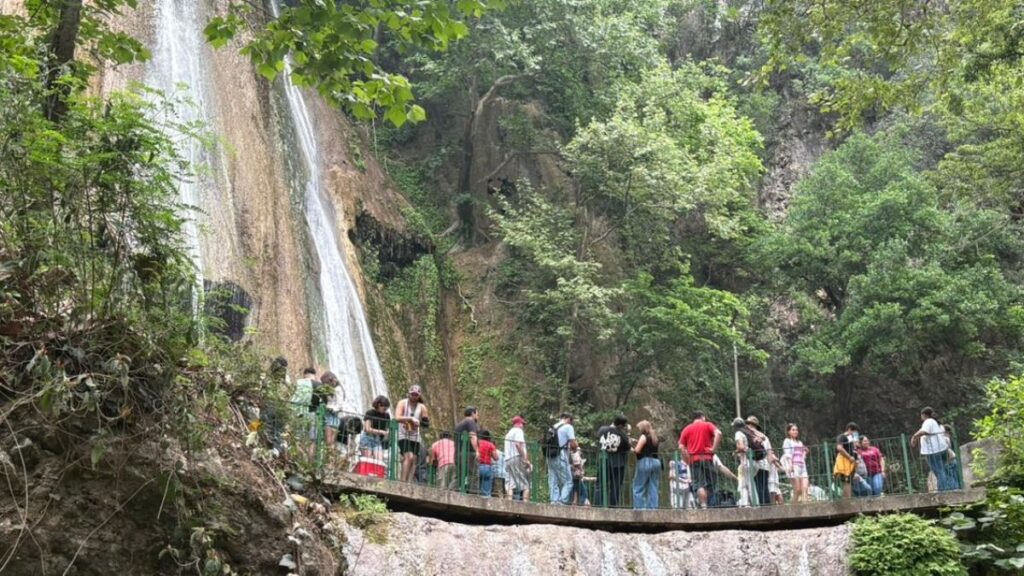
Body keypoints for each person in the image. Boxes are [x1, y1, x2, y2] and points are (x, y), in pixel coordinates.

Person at [679, 411, 723, 508]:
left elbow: (681, 447)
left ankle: (702, 505)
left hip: (693, 460)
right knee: (711, 483)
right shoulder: (707, 425)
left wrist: (687, 459)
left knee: (698, 484)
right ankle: (702, 501)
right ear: (702, 417)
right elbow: (718, 433)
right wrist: (713, 449)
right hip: (707, 458)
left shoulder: (686, 429)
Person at [911, 407, 953, 492]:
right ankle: (945, 488)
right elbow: (922, 430)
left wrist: (914, 437)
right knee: (941, 470)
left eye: (921, 415)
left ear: (924, 415)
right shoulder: (934, 422)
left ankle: (943, 490)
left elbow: (924, 431)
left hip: (933, 451)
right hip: (940, 449)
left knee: (938, 471)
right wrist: (915, 437)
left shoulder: (928, 421)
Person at [394, 385, 429, 483]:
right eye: (412, 394)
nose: (414, 396)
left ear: (419, 395)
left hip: (415, 436)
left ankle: (409, 482)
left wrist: (418, 422)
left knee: (414, 459)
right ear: (409, 394)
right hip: (403, 434)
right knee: (408, 456)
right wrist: (409, 419)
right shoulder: (402, 403)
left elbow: (426, 423)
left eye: (416, 395)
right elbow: (397, 417)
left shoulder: (422, 407)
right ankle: (403, 481)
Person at [596, 415, 631, 507]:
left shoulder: (602, 429)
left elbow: (598, 438)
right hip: (619, 463)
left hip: (604, 460)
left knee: (600, 485)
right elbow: (628, 447)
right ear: (620, 425)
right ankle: (613, 506)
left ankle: (599, 505)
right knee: (615, 486)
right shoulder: (622, 434)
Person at [742, 416, 774, 506]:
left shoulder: (751, 436)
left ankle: (762, 508)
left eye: (749, 424)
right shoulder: (765, 437)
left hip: (756, 464)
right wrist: (770, 467)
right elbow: (769, 452)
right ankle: (767, 507)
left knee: (758, 487)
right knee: (764, 487)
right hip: (764, 465)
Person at [546, 413, 577, 505]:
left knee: (553, 479)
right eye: (571, 421)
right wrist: (575, 448)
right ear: (568, 419)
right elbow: (573, 443)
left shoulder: (553, 427)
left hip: (550, 455)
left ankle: (554, 500)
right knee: (568, 481)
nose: (571, 424)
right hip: (560, 455)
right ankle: (562, 501)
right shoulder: (568, 427)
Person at [632, 420, 661, 509]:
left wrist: (632, 448)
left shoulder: (643, 436)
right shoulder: (655, 437)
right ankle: (653, 508)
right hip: (656, 462)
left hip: (645, 461)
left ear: (642, 428)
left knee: (638, 486)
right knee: (653, 486)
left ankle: (639, 508)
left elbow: (637, 450)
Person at [454, 407, 481, 493]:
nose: (478, 416)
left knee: (459, 475)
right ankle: (473, 494)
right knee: (473, 474)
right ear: (473, 413)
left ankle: (452, 491)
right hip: (468, 453)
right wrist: (477, 451)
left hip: (458, 452)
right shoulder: (470, 421)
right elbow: (472, 436)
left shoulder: (459, 424)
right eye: (477, 414)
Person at [504, 416, 532, 501]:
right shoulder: (519, 431)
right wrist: (525, 458)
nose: (523, 426)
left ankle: (509, 502)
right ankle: (525, 504)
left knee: (511, 483)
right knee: (525, 484)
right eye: (522, 424)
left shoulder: (508, 434)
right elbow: (517, 444)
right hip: (517, 457)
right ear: (519, 423)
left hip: (508, 459)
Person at [732, 418, 757, 507]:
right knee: (749, 482)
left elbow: (741, 447)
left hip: (745, 462)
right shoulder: (748, 433)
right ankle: (753, 503)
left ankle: (746, 504)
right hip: (753, 461)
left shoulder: (738, 433)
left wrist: (736, 452)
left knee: (744, 484)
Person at [782, 423, 809, 503]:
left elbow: (803, 454)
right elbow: (788, 454)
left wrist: (805, 451)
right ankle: (794, 508)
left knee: (805, 488)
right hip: (794, 465)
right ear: (788, 432)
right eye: (793, 430)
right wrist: (790, 465)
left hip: (802, 466)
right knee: (797, 490)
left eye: (796, 430)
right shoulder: (787, 441)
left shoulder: (799, 442)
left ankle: (805, 508)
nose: (795, 431)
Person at [360, 395, 391, 460]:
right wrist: (381, 432)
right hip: (367, 438)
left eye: (386, 409)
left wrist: (388, 432)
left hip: (378, 440)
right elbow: (367, 429)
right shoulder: (370, 413)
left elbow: (388, 428)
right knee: (367, 460)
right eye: (384, 408)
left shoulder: (387, 415)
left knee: (379, 460)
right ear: (379, 405)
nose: (385, 410)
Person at [834, 422, 860, 498]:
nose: (855, 434)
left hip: (850, 463)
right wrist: (849, 457)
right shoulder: (842, 437)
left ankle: (846, 500)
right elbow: (839, 448)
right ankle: (848, 500)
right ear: (849, 430)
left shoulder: (850, 439)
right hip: (844, 462)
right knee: (846, 481)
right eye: (854, 432)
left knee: (849, 481)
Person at [322, 371, 343, 449]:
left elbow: (339, 404)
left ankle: (328, 459)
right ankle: (329, 458)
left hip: (332, 416)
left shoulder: (338, 389)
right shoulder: (332, 389)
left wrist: (331, 408)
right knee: (330, 442)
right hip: (332, 416)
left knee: (329, 441)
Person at [478, 429, 498, 497]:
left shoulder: (477, 443)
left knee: (474, 488)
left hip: (476, 466)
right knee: (486, 491)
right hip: (486, 467)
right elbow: (496, 458)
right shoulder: (490, 444)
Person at [942, 424, 961, 490]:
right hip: (953, 459)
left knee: (950, 476)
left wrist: (947, 461)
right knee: (954, 476)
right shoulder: (949, 438)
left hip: (950, 459)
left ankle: (954, 489)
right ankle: (957, 488)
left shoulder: (945, 438)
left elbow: (947, 449)